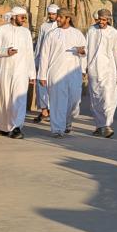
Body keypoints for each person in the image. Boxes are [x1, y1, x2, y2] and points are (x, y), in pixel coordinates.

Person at [37, 9, 86, 137]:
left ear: (67, 19)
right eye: (57, 17)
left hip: (74, 73)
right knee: (57, 102)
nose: (57, 19)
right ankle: (57, 129)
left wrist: (82, 56)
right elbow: (44, 55)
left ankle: (67, 121)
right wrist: (42, 75)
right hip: (56, 73)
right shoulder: (51, 34)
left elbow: (86, 53)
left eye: (60, 17)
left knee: (74, 101)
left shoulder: (77, 34)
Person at [0, 6, 36, 139]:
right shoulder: (1, 30)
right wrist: (5, 51)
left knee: (19, 99)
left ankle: (16, 128)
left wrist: (32, 74)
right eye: (22, 17)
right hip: (4, 70)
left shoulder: (26, 32)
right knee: (4, 99)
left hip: (21, 71)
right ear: (14, 16)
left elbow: (29, 54)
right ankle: (4, 127)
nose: (24, 20)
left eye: (25, 17)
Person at [86, 8, 117, 138]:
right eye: (100, 19)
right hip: (93, 70)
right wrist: (83, 68)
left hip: (109, 71)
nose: (101, 22)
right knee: (96, 99)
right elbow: (86, 49)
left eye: (104, 20)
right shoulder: (91, 31)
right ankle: (99, 126)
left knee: (109, 98)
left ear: (108, 20)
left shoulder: (113, 33)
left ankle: (107, 125)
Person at [34, 3, 59, 122]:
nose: (51, 16)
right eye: (49, 14)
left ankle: (52, 111)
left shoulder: (60, 27)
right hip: (43, 59)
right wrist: (36, 60)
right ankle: (44, 110)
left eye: (53, 14)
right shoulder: (44, 26)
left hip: (56, 61)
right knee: (41, 85)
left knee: (54, 86)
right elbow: (39, 44)